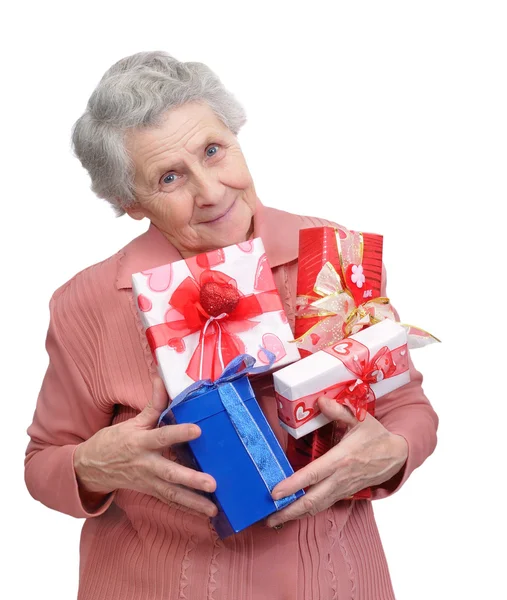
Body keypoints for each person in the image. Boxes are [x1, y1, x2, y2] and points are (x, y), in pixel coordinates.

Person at [24, 51, 438, 600]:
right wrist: (91, 465)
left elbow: (406, 405)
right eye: (169, 177)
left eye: (214, 151)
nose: (212, 192)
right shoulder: (89, 302)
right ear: (130, 201)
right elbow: (45, 461)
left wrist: (395, 451)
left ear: (236, 135)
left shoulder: (334, 254)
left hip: (330, 583)